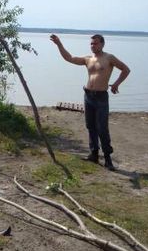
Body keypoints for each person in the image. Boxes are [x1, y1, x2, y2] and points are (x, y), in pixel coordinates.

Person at [50, 34, 130, 170]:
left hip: (101, 97)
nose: (93, 46)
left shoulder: (109, 58)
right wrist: (59, 44)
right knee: (90, 126)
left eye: (96, 44)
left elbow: (125, 69)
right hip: (88, 96)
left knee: (102, 128)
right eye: (91, 44)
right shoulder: (88, 59)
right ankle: (94, 154)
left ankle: (108, 158)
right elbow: (69, 58)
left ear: (102, 44)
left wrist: (116, 84)